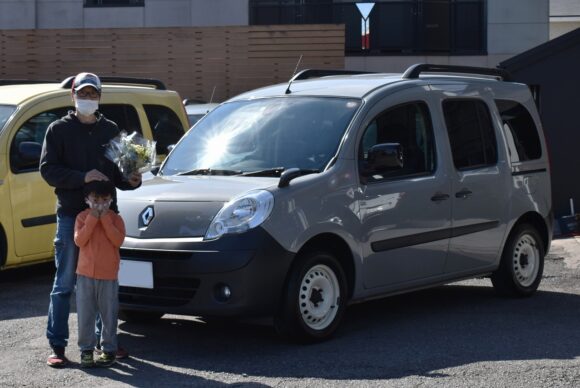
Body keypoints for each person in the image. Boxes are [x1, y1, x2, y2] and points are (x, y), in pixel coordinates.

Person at [40, 72, 141, 368]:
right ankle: (58, 346)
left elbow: (121, 175)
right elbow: (48, 170)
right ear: (73, 96)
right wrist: (81, 177)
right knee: (65, 283)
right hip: (74, 216)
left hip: (108, 215)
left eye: (92, 94)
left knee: (105, 281)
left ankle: (105, 342)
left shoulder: (110, 128)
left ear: (99, 97)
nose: (87, 99)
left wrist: (132, 179)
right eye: (82, 94)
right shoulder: (58, 130)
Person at [75, 180, 125, 368]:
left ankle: (109, 349)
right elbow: (80, 240)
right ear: (87, 199)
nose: (100, 204)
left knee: (109, 314)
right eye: (95, 199)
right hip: (85, 274)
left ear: (111, 199)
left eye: (104, 199)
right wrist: (93, 218)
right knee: (85, 314)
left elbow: (118, 240)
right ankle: (86, 350)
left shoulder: (115, 218)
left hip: (108, 275)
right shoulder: (81, 217)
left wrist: (104, 219)